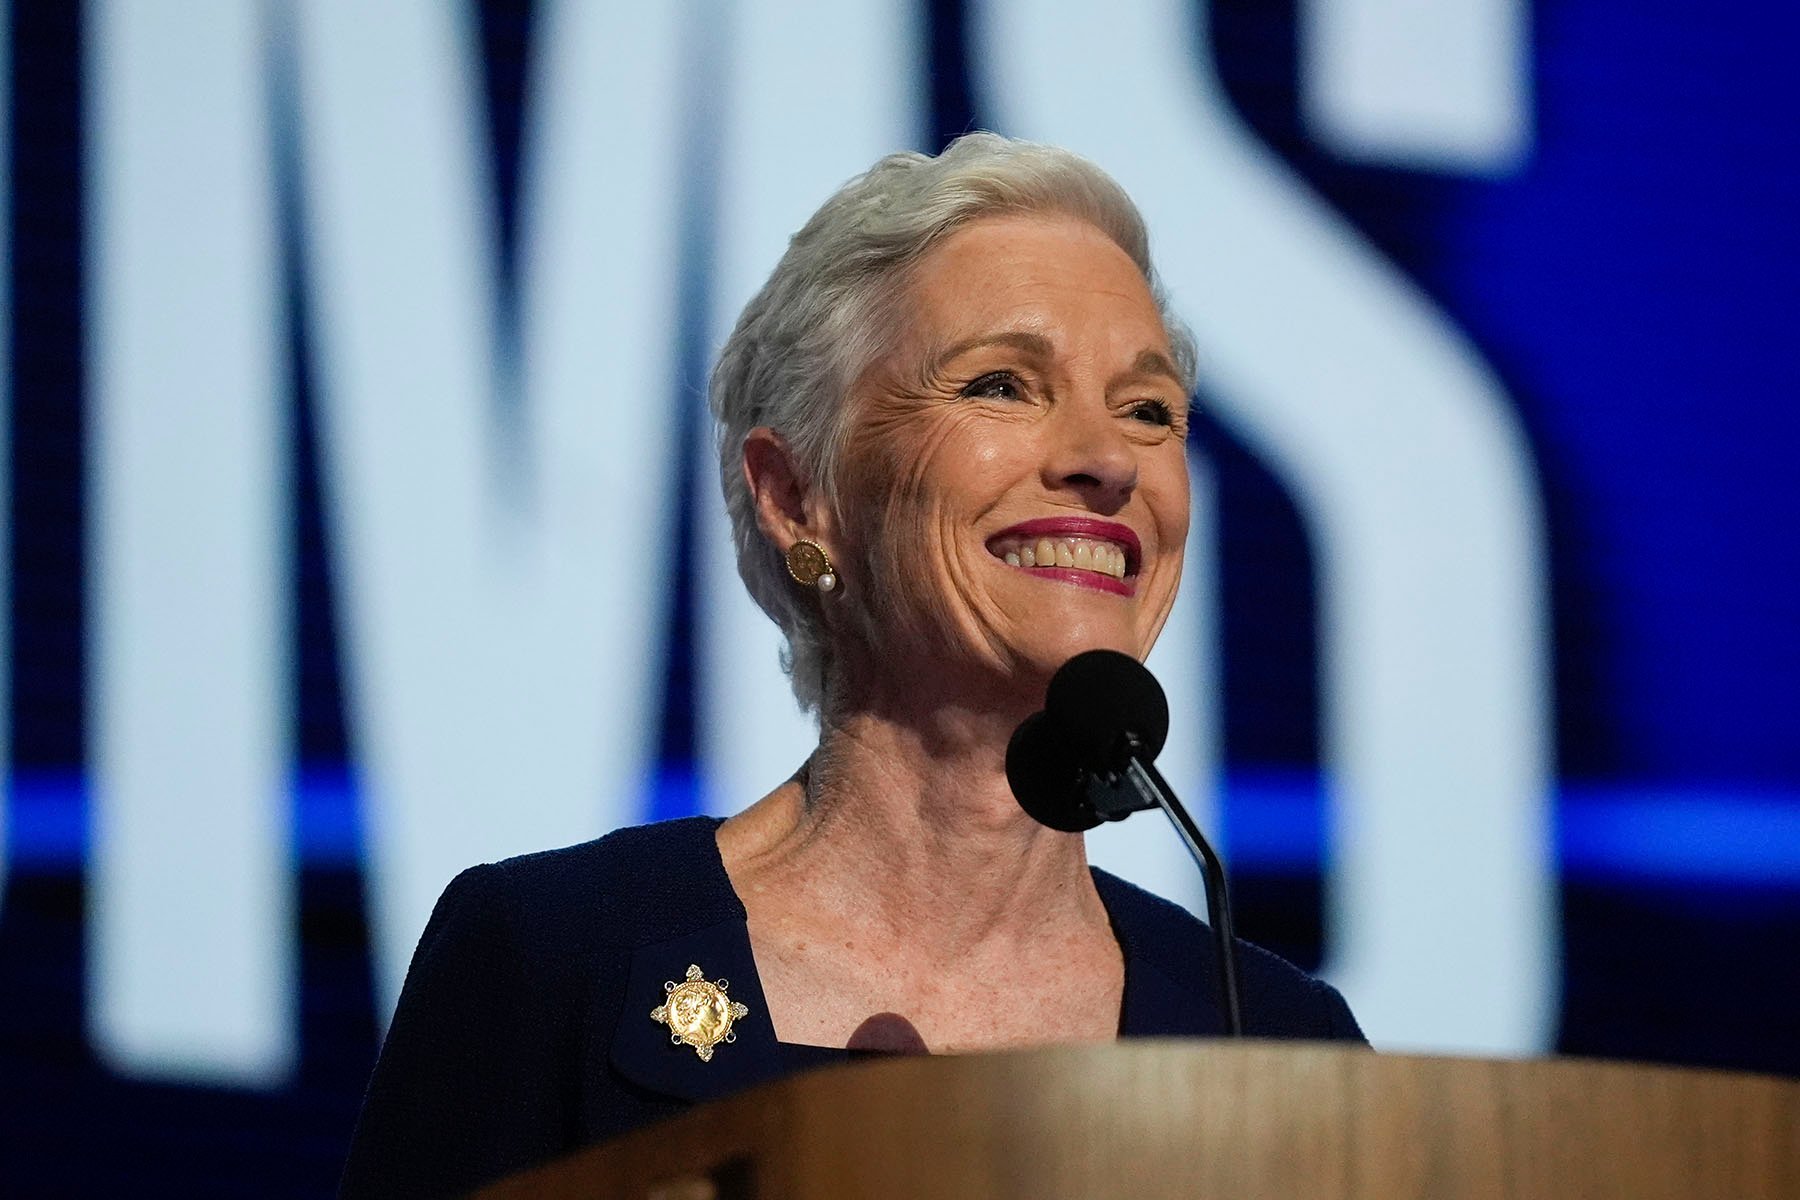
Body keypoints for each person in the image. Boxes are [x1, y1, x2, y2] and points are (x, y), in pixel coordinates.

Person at [338, 132, 1362, 1199]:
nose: (1108, 459)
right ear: (798, 498)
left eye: (1149, 409)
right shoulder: (558, 964)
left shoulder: (1275, 1038)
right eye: (1005, 385)